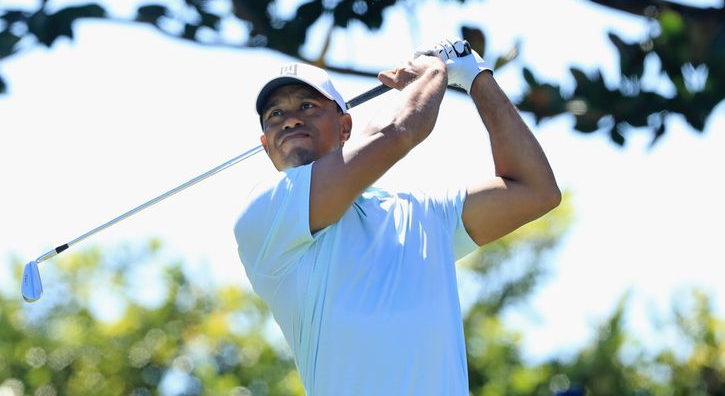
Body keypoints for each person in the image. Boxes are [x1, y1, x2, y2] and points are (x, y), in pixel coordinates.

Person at [233, 38, 561, 395]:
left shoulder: (420, 213)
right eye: (275, 114)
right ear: (265, 143)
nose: (291, 118)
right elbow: (399, 131)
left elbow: (535, 191)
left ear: (345, 128)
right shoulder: (265, 214)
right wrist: (435, 72)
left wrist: (476, 78)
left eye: (308, 106)